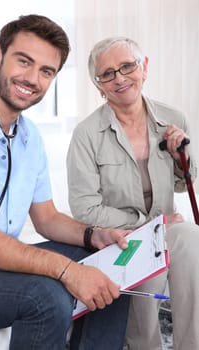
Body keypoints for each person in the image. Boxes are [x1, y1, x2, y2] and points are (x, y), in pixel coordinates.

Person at [0, 17, 132, 350]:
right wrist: (65, 270)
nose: (32, 79)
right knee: (47, 297)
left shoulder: (30, 138)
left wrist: (92, 234)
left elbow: (46, 218)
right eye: (24, 61)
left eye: (46, 71)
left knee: (109, 264)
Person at [67, 36, 199, 350]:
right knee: (144, 270)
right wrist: (148, 224)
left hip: (167, 231)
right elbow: (84, 209)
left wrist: (184, 155)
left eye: (127, 66)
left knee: (192, 238)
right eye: (107, 74)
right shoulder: (86, 135)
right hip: (120, 239)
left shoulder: (173, 119)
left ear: (144, 68)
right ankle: (145, 346)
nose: (120, 78)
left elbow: (185, 182)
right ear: (98, 85)